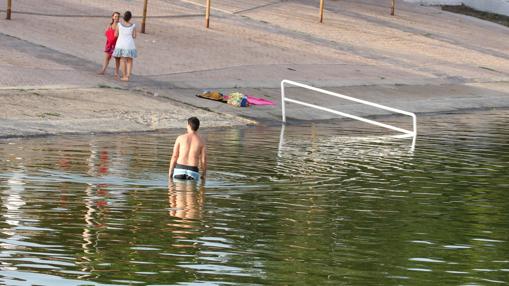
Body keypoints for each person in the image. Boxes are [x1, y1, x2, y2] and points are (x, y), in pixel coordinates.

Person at [169, 117, 207, 181]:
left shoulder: (180, 138)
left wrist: (170, 171)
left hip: (179, 170)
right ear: (198, 127)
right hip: (193, 171)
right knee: (191, 191)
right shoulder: (202, 141)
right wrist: (203, 174)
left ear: (189, 125)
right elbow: (203, 160)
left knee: (178, 190)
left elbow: (174, 156)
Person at [112, 11, 137, 81]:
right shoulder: (133, 25)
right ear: (130, 18)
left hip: (121, 44)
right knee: (130, 60)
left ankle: (124, 76)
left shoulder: (119, 25)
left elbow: (115, 35)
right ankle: (128, 75)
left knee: (122, 60)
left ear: (123, 17)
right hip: (130, 44)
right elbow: (134, 36)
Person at [98, 12, 121, 78]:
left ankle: (116, 73)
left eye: (118, 17)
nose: (117, 18)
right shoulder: (110, 25)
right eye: (115, 16)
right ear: (113, 17)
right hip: (109, 44)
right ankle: (103, 70)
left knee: (117, 59)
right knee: (107, 58)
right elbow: (106, 32)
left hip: (116, 44)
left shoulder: (119, 26)